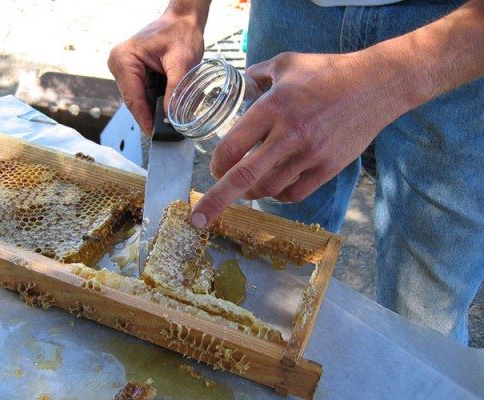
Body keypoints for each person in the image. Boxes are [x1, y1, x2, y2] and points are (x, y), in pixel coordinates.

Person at [107, 0, 484, 345]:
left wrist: (394, 76)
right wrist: (185, 12)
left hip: (458, 34)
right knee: (279, 263)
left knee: (424, 315)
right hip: (291, 14)